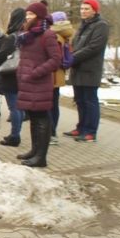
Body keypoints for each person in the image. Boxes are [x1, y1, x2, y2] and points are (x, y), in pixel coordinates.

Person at [16, 2, 61, 167]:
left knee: (42, 118)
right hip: (27, 83)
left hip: (39, 83)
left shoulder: (47, 35)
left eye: (31, 14)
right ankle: (34, 151)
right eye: (27, 14)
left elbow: (56, 60)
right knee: (34, 118)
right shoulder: (27, 34)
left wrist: (35, 72)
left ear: (40, 16)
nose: (28, 17)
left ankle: (41, 157)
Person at [63, 0, 109, 142]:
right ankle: (81, 127)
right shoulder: (83, 26)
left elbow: (93, 47)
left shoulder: (101, 26)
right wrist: (68, 54)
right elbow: (75, 44)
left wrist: (72, 58)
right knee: (80, 100)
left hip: (90, 70)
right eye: (82, 9)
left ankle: (90, 131)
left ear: (95, 10)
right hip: (78, 69)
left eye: (86, 9)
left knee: (90, 101)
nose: (83, 11)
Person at [0, 8, 26, 147]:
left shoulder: (12, 37)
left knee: (14, 107)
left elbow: (1, 57)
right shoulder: (26, 35)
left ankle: (15, 135)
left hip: (11, 75)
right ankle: (16, 133)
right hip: (23, 74)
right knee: (20, 106)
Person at [49, 11, 74, 144]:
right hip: (59, 75)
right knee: (54, 105)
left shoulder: (55, 35)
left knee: (49, 105)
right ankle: (52, 132)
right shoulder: (65, 34)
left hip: (52, 74)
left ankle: (51, 133)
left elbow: (53, 58)